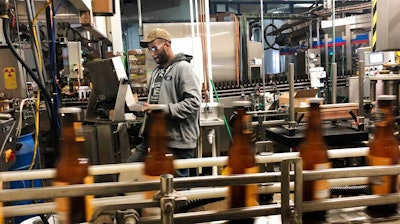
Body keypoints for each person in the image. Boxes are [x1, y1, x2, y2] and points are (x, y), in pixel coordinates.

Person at [127, 28, 201, 177]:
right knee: (128, 172)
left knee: (177, 189)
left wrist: (163, 110)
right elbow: (156, 100)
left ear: (167, 45)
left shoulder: (183, 68)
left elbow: (194, 102)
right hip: (155, 139)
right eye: (150, 50)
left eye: (155, 48)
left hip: (177, 142)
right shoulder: (157, 72)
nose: (152, 53)